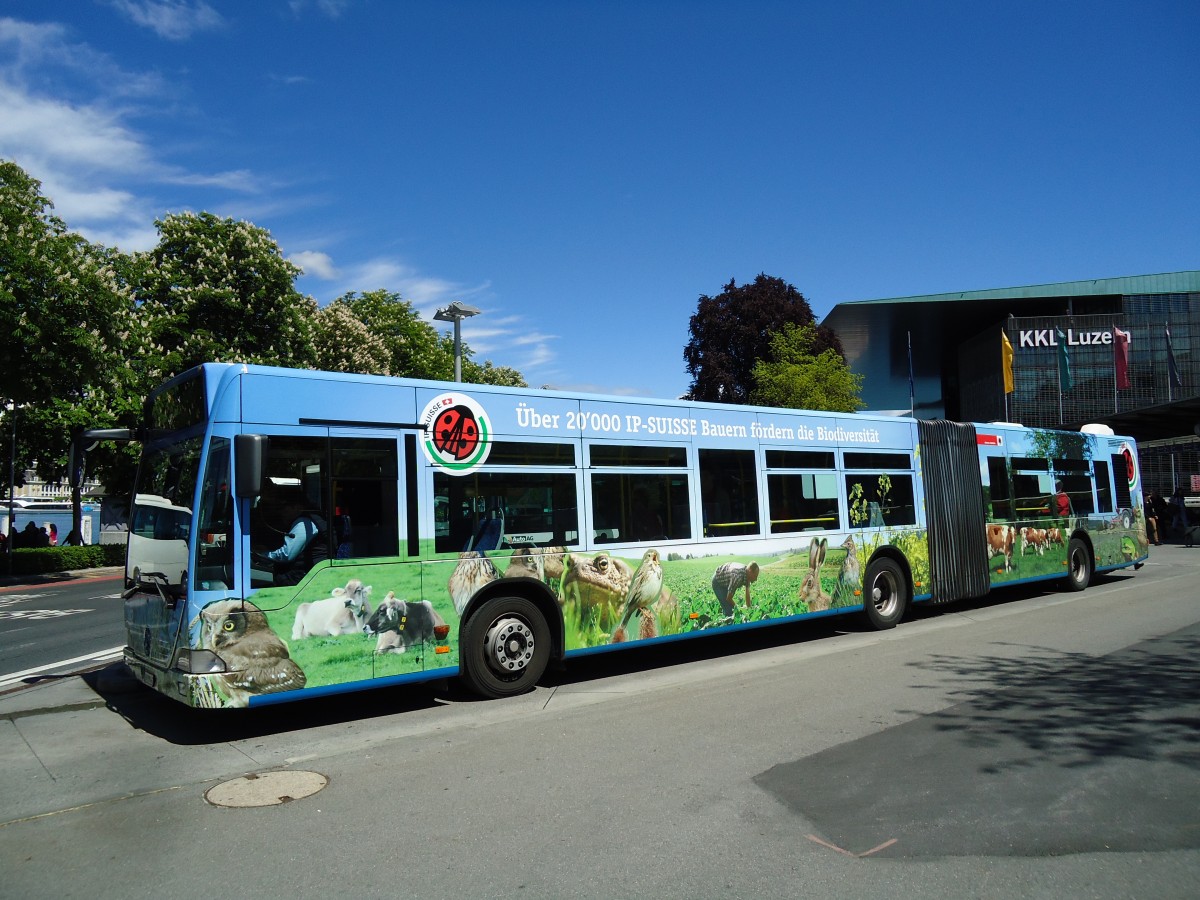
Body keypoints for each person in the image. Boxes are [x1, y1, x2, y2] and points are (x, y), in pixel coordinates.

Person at [257, 489, 328, 586]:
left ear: (297, 507)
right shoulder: (310, 519)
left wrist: (262, 555)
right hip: (308, 571)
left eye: (283, 507)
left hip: (304, 575)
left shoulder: (304, 523)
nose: (281, 512)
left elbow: (287, 554)